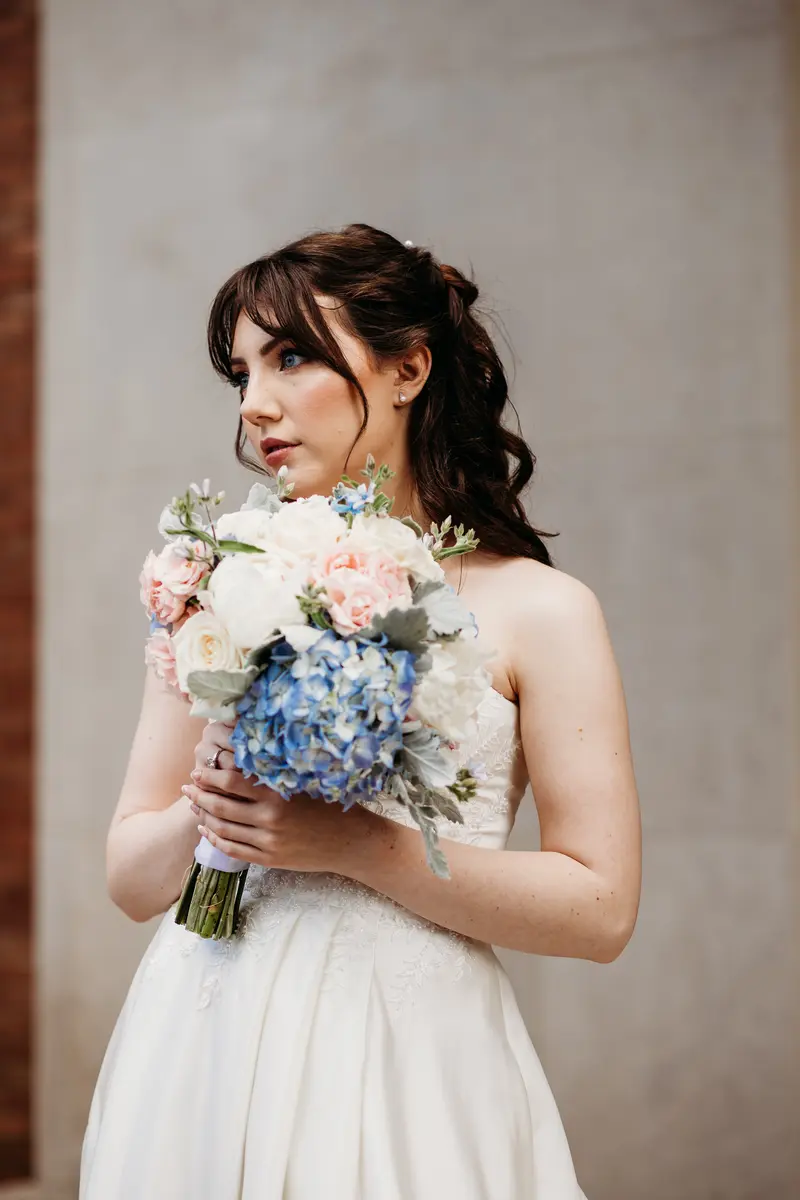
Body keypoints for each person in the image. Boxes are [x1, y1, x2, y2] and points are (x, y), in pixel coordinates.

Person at [80, 223, 641, 1199]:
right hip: (200, 1039)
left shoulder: (541, 612)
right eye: (240, 373)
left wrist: (351, 845)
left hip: (403, 1049)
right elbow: (131, 878)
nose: (255, 405)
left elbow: (599, 910)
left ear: (407, 368)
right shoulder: (220, 583)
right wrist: (215, 797)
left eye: (291, 357)